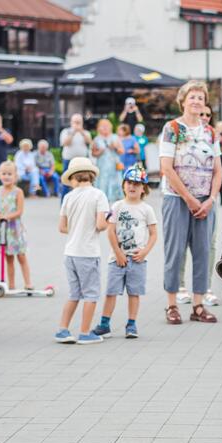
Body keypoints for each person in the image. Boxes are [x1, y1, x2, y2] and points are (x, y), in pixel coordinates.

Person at [160, 80, 222, 324]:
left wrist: (210, 199)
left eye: (200, 97)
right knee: (175, 252)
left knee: (203, 252)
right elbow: (166, 167)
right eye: (192, 97)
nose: (196, 101)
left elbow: (218, 169)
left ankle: (198, 305)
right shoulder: (172, 128)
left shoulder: (210, 132)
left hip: (205, 202)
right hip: (177, 199)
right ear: (183, 101)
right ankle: (172, 304)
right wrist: (189, 198)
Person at [93, 165, 157, 339]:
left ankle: (131, 324)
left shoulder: (147, 209)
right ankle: (104, 324)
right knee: (111, 292)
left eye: (137, 183)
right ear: (123, 185)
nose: (132, 186)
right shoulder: (117, 206)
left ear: (144, 187)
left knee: (134, 293)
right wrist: (118, 253)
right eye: (129, 182)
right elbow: (110, 231)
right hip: (117, 259)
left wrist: (145, 252)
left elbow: (153, 234)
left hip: (138, 260)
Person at [55, 158, 109, 345]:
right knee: (91, 294)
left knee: (74, 293)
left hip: (70, 252)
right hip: (88, 252)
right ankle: (85, 332)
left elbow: (62, 227)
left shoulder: (68, 197)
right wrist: (110, 220)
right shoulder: (98, 195)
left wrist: (77, 227)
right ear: (92, 176)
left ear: (72, 178)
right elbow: (101, 225)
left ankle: (62, 330)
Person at [0, 161, 33, 291]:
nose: (6, 176)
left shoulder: (18, 192)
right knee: (8, 258)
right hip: (3, 229)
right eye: (4, 173)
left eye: (10, 174)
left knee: (21, 256)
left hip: (15, 229)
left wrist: (7, 217)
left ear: (15, 176)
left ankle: (28, 283)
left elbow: (20, 211)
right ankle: (11, 285)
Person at [60, 113, 91, 201]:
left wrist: (81, 132)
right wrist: (73, 132)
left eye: (79, 122)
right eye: (75, 122)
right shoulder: (66, 131)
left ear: (82, 122)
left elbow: (89, 142)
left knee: (84, 183)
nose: (77, 124)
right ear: (71, 122)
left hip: (83, 162)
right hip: (68, 160)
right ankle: (64, 205)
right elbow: (65, 143)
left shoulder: (86, 132)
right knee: (66, 183)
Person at [91, 119, 123, 203]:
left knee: (115, 182)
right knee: (102, 182)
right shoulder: (97, 139)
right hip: (102, 166)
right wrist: (100, 152)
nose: (105, 128)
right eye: (103, 126)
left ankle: (115, 199)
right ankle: (102, 200)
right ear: (99, 128)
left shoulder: (115, 137)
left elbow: (122, 151)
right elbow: (93, 153)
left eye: (107, 126)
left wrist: (115, 147)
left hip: (114, 166)